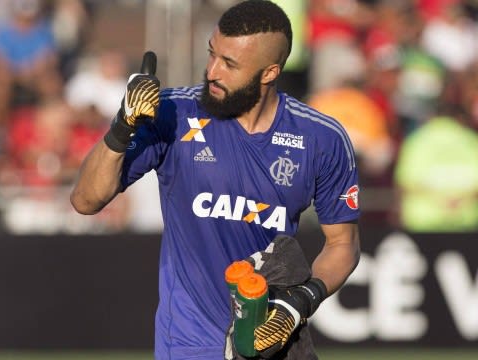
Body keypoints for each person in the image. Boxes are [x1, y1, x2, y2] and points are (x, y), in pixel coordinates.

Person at [70, 1, 360, 359]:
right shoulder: (173, 113)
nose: (211, 71)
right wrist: (122, 127)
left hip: (269, 340)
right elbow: (85, 200)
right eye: (212, 54)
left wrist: (300, 301)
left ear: (269, 73)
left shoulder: (321, 137)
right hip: (188, 344)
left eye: (230, 64)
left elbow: (342, 244)